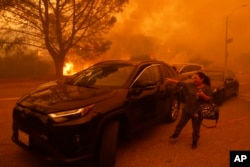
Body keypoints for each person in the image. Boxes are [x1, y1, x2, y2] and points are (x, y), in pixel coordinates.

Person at [166, 72, 212, 149]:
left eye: (196, 78)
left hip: (197, 112)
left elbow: (210, 99)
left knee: (196, 128)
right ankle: (175, 134)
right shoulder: (190, 85)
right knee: (181, 123)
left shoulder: (207, 88)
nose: (194, 79)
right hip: (187, 109)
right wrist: (171, 80)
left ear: (202, 79)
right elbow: (181, 83)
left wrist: (202, 95)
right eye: (193, 78)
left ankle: (194, 141)